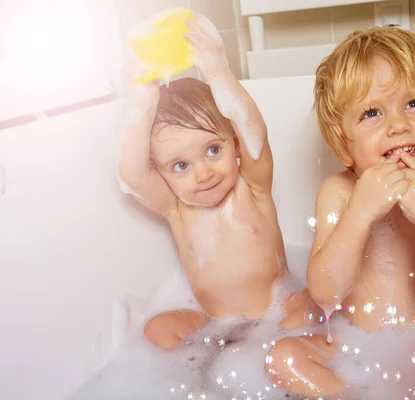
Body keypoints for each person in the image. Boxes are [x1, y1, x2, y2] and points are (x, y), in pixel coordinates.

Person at [265, 26, 415, 399]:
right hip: (351, 348)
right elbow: (325, 295)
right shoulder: (338, 193)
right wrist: (360, 213)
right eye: (372, 112)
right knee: (283, 357)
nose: (399, 124)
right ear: (345, 146)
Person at [118, 12, 320, 383]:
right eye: (180, 165)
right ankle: (211, 378)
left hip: (280, 310)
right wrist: (142, 106)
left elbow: (254, 131)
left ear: (235, 144)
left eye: (213, 150)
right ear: (161, 174)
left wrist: (217, 72)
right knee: (157, 330)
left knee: (314, 306)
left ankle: (280, 368)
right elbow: (131, 176)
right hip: (213, 323)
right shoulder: (177, 209)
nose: (203, 172)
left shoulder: (252, 187)